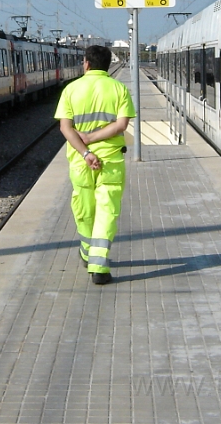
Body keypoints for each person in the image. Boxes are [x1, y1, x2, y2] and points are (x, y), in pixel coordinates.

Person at [55, 45, 135, 285]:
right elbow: (121, 125)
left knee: (84, 209)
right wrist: (94, 139)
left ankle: (87, 252)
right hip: (110, 160)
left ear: (86, 63)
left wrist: (85, 149)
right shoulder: (119, 88)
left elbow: (65, 128)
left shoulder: (71, 89)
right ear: (108, 64)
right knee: (107, 211)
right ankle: (99, 266)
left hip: (81, 161)